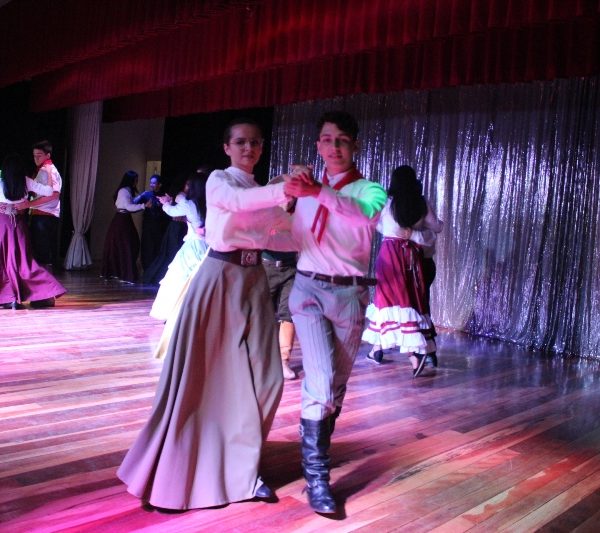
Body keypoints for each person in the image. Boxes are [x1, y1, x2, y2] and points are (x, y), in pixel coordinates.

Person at [117, 118, 297, 510]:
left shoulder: (261, 190)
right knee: (207, 381)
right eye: (241, 142)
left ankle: (241, 462)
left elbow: (285, 235)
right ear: (227, 147)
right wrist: (284, 188)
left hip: (254, 280)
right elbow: (239, 203)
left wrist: (307, 207)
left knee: (268, 379)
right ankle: (216, 472)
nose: (249, 148)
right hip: (220, 279)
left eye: (255, 142)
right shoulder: (220, 180)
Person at [283, 111, 387, 514]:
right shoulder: (304, 188)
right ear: (318, 146)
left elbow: (363, 216)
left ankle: (317, 458)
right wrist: (288, 199)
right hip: (307, 288)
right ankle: (317, 479)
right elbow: (285, 230)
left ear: (355, 145)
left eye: (342, 139)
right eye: (327, 139)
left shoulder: (370, 190)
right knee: (322, 383)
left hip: (348, 295)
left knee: (335, 388)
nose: (334, 147)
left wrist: (317, 192)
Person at [361, 165, 438, 377]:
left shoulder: (387, 204)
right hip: (412, 257)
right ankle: (379, 350)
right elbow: (437, 227)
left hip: (390, 255)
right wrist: (415, 232)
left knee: (389, 303)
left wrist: (390, 230)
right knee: (409, 302)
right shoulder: (419, 203)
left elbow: (373, 223)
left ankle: (414, 355)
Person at [0, 154, 66, 309]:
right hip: (18, 225)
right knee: (23, 262)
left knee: (3, 262)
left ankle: (8, 298)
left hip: (2, 225)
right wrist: (48, 172)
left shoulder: (1, 182)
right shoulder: (25, 181)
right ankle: (41, 295)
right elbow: (49, 191)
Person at [149, 172, 209, 321]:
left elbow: (172, 211)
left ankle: (178, 312)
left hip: (193, 246)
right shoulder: (208, 204)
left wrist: (165, 203)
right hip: (207, 246)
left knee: (180, 277)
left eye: (189, 185)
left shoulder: (191, 204)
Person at [141, 176, 194, 285]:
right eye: (188, 184)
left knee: (171, 252)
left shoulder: (186, 197)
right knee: (171, 253)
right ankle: (159, 277)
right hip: (177, 227)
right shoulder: (182, 196)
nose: (189, 186)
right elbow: (175, 212)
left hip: (179, 227)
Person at [101, 170, 145, 284]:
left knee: (127, 245)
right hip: (122, 221)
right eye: (135, 180)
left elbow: (129, 203)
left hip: (123, 219)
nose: (136, 182)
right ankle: (125, 274)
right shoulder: (124, 191)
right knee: (127, 246)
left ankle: (120, 273)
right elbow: (128, 207)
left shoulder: (126, 190)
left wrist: (141, 198)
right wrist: (144, 205)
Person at [29, 140, 62, 271]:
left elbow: (54, 194)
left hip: (43, 215)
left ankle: (45, 279)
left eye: (39, 155)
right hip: (46, 215)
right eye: (34, 155)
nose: (36, 158)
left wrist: (28, 204)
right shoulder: (47, 169)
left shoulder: (46, 170)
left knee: (42, 252)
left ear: (48, 155)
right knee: (45, 250)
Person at [135, 174, 170, 271]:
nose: (151, 185)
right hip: (148, 227)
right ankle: (146, 270)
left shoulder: (164, 196)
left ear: (160, 184)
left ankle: (155, 271)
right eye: (151, 183)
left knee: (157, 249)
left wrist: (169, 201)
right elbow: (133, 203)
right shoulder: (146, 194)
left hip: (160, 228)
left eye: (154, 183)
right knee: (147, 248)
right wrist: (141, 197)